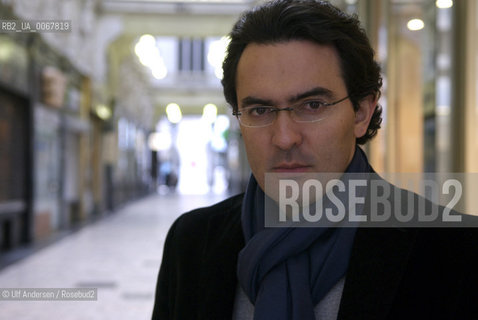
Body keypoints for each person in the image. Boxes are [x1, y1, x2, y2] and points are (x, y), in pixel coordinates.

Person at [152, 0, 478, 319]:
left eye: (312, 106)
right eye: (260, 110)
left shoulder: (452, 251)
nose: (283, 138)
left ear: (361, 113)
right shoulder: (192, 243)